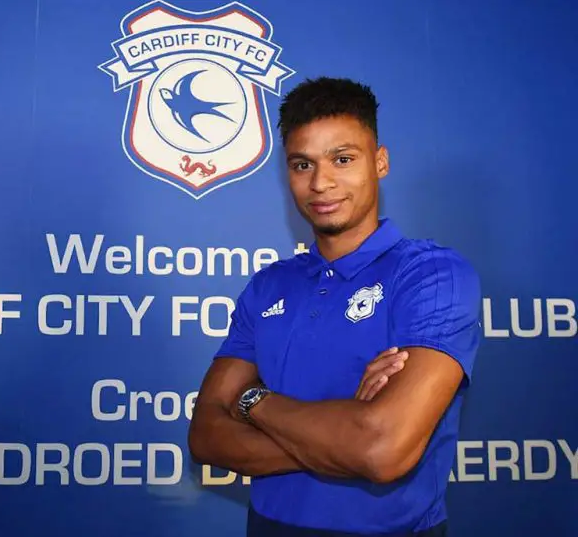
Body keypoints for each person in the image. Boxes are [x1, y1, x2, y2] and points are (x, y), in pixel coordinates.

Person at [187, 77, 482, 536]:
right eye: (302, 164)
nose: (321, 183)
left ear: (379, 162)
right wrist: (346, 434)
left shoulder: (431, 275)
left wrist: (253, 401)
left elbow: (381, 451)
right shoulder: (268, 286)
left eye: (342, 159)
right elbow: (206, 435)